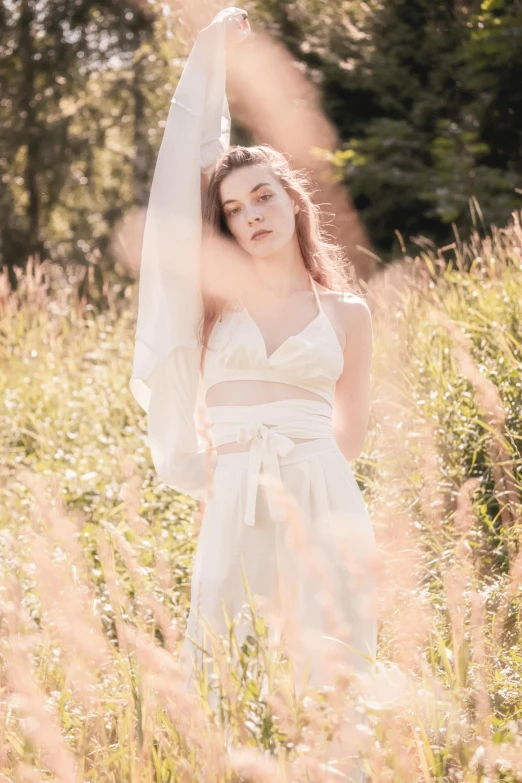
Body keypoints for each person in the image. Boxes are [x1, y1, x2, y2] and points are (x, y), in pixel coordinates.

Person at [130, 6, 377, 766]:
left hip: (321, 494)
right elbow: (179, 188)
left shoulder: (346, 312)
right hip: (234, 492)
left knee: (330, 669)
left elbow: (351, 426)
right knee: (229, 665)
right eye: (234, 210)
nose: (251, 215)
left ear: (293, 200)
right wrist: (206, 65)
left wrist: (312, 494)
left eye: (264, 196)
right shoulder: (211, 306)